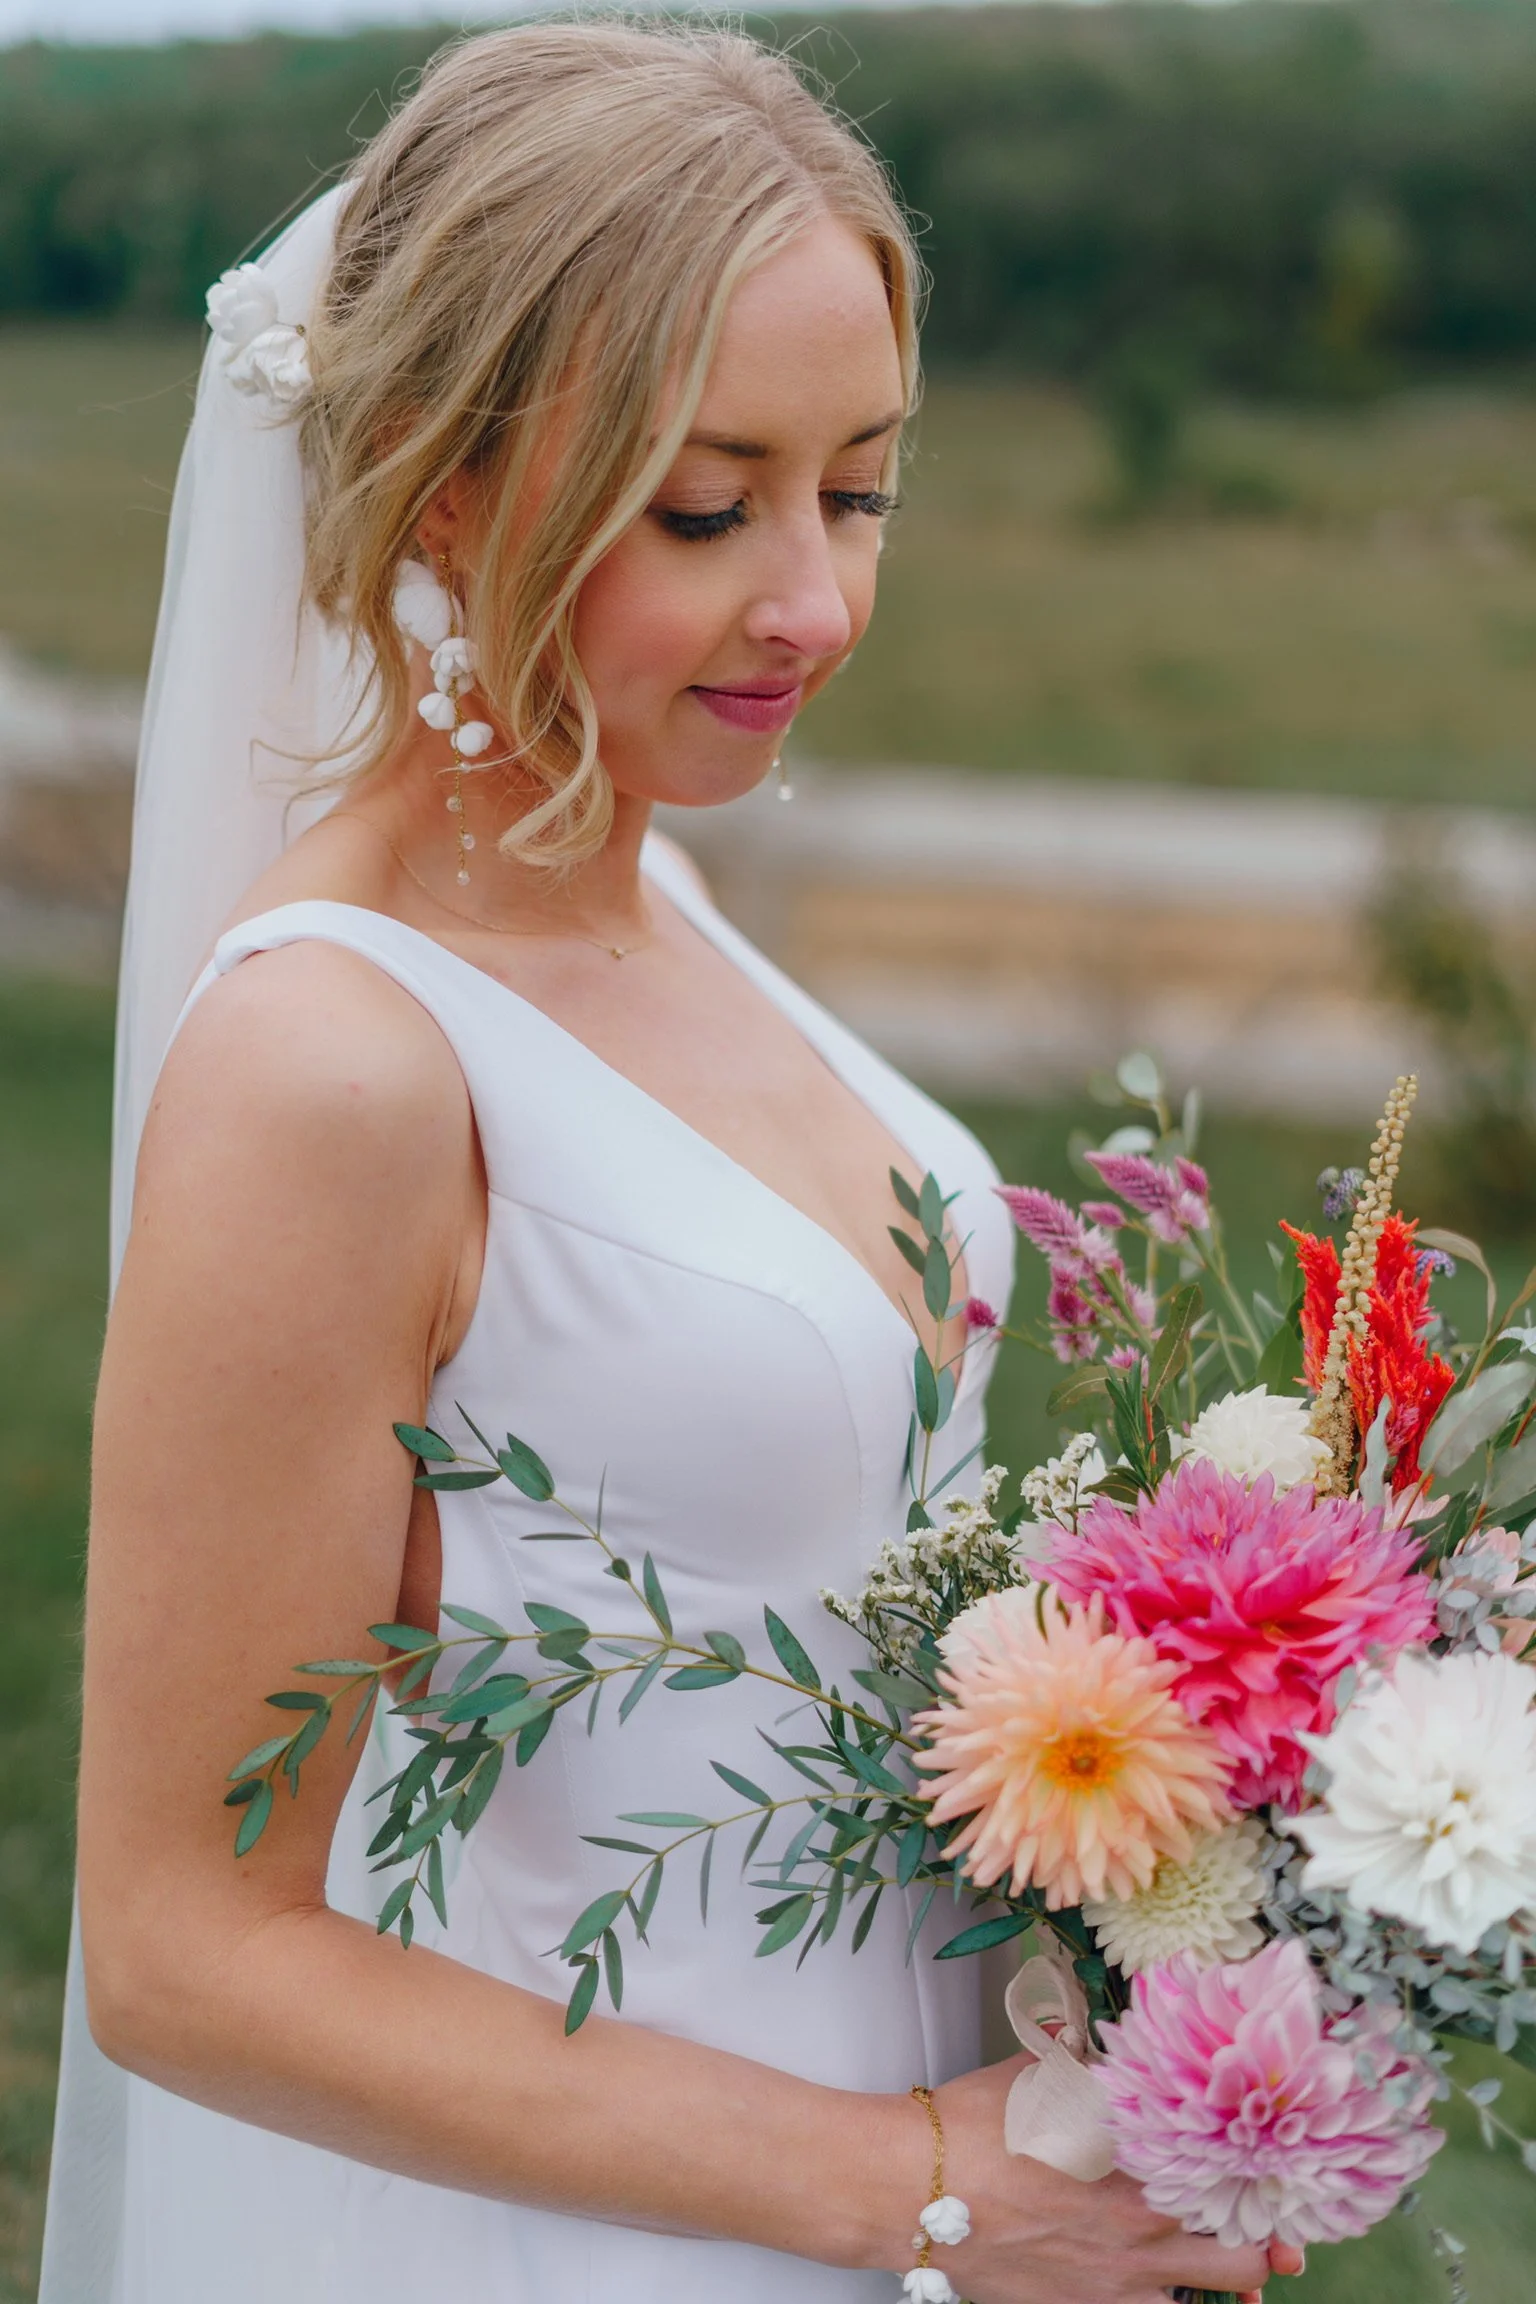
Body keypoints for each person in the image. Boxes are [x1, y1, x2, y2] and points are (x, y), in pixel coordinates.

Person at [46, 24, 1300, 2303]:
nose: (814, 601)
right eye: (710, 506)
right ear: (440, 484)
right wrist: (911, 2187)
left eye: (862, 491)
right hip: (588, 2242)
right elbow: (181, 1949)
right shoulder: (333, 1067)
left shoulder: (661, 895)